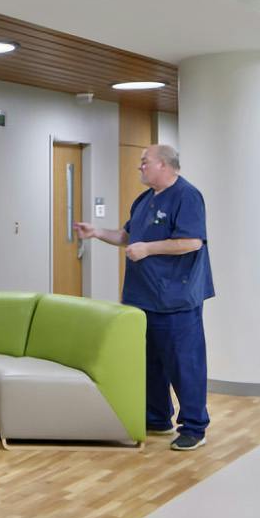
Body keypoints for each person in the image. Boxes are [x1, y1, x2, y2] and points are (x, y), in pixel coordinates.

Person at [74, 144, 214, 452]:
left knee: (184, 364)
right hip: (143, 297)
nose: (140, 167)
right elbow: (127, 237)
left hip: (176, 299)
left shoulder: (187, 196)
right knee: (150, 362)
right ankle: (158, 417)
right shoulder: (144, 199)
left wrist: (148, 249)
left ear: (163, 164)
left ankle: (194, 427)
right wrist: (96, 232)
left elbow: (192, 242)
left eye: (144, 161)